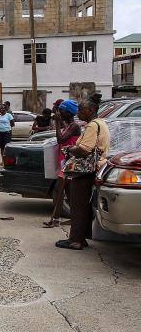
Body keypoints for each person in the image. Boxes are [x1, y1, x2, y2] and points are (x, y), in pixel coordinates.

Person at [56, 96, 109, 250]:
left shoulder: (92, 126)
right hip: (94, 168)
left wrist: (70, 149)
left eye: (81, 110)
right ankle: (81, 237)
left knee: (77, 205)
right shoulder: (101, 123)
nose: (78, 113)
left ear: (91, 110)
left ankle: (75, 240)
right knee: (83, 205)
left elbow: (85, 149)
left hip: (84, 171)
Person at [44, 100, 81, 228]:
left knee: (59, 190)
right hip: (65, 161)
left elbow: (60, 139)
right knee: (66, 192)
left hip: (70, 163)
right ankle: (70, 218)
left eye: (62, 111)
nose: (59, 113)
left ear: (69, 113)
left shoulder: (74, 126)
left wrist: (58, 122)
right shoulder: (69, 125)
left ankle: (56, 219)